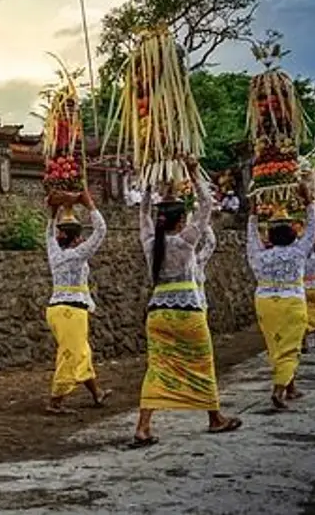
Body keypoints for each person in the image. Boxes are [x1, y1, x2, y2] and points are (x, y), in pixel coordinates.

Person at [132, 158, 241, 448]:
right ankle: (214, 418)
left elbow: (143, 213)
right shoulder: (186, 241)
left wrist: (147, 182)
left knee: (157, 368)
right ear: (181, 221)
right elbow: (206, 207)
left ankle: (143, 426)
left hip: (157, 315)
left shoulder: (149, 242)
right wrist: (193, 173)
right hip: (188, 313)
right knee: (202, 363)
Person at [247, 197, 315, 410]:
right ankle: (279, 389)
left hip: (265, 303)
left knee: (276, 345)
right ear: (293, 234)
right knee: (290, 348)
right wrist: (308, 201)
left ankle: (291, 387)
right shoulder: (298, 252)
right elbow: (314, 228)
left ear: (269, 235)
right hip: (292, 302)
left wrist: (252, 214)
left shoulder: (259, 255)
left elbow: (251, 237)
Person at [43, 188, 110, 414]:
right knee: (72, 354)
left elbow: (49, 234)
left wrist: (54, 213)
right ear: (77, 239)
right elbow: (101, 231)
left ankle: (96, 392)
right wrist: (89, 204)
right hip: (71, 311)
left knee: (82, 351)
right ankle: (56, 400)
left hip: (57, 309)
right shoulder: (77, 254)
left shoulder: (55, 251)